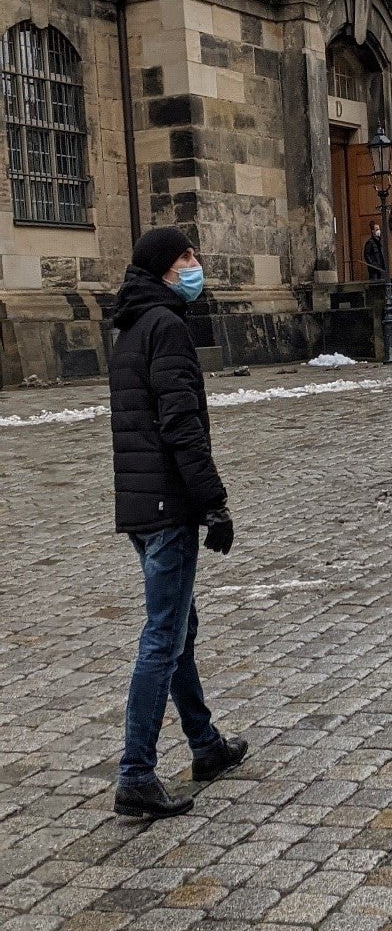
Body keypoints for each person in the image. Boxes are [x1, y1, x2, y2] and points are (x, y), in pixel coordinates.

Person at [109, 226, 248, 820]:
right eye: (187, 255)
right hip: (168, 506)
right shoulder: (166, 326)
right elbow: (180, 424)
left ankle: (205, 744)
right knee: (164, 636)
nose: (196, 263)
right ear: (165, 268)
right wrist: (212, 501)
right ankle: (136, 773)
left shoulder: (130, 327)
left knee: (179, 628)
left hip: (142, 508)